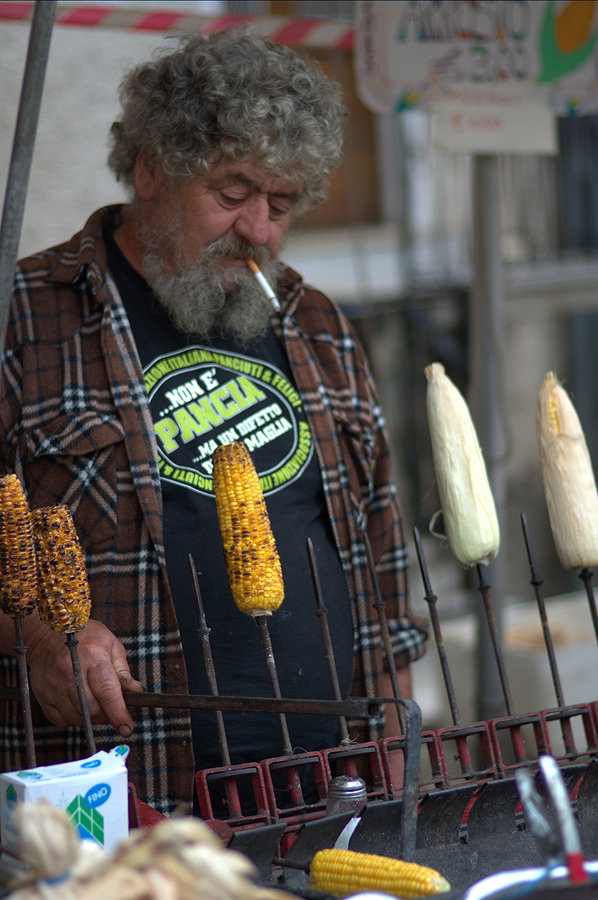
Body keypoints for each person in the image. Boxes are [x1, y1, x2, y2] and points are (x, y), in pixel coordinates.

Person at [0, 30, 426, 817]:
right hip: (128, 794)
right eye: (232, 195)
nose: (258, 228)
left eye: (280, 205)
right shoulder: (23, 316)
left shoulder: (317, 322)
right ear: (150, 169)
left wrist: (398, 741)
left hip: (332, 782)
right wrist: (37, 638)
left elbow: (380, 544)